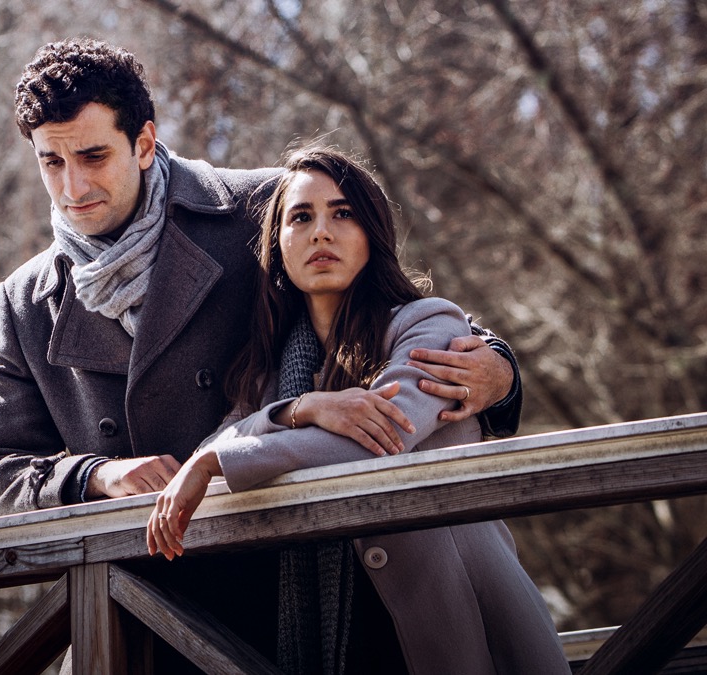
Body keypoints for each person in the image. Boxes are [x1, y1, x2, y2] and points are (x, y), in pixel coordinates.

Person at [0, 37, 526, 668]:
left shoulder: (260, 208)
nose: (73, 186)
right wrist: (95, 475)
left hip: (283, 596)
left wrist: (500, 369)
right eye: (52, 162)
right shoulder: (26, 301)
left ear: (144, 143)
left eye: (94, 156)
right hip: (136, 614)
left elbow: (395, 305)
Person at [146, 147, 569, 674]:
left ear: (372, 233)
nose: (321, 233)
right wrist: (301, 409)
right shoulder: (268, 372)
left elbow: (377, 441)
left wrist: (217, 461)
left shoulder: (429, 324)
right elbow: (225, 438)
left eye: (342, 213)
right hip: (343, 640)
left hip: (460, 626)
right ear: (278, 246)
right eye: (301, 217)